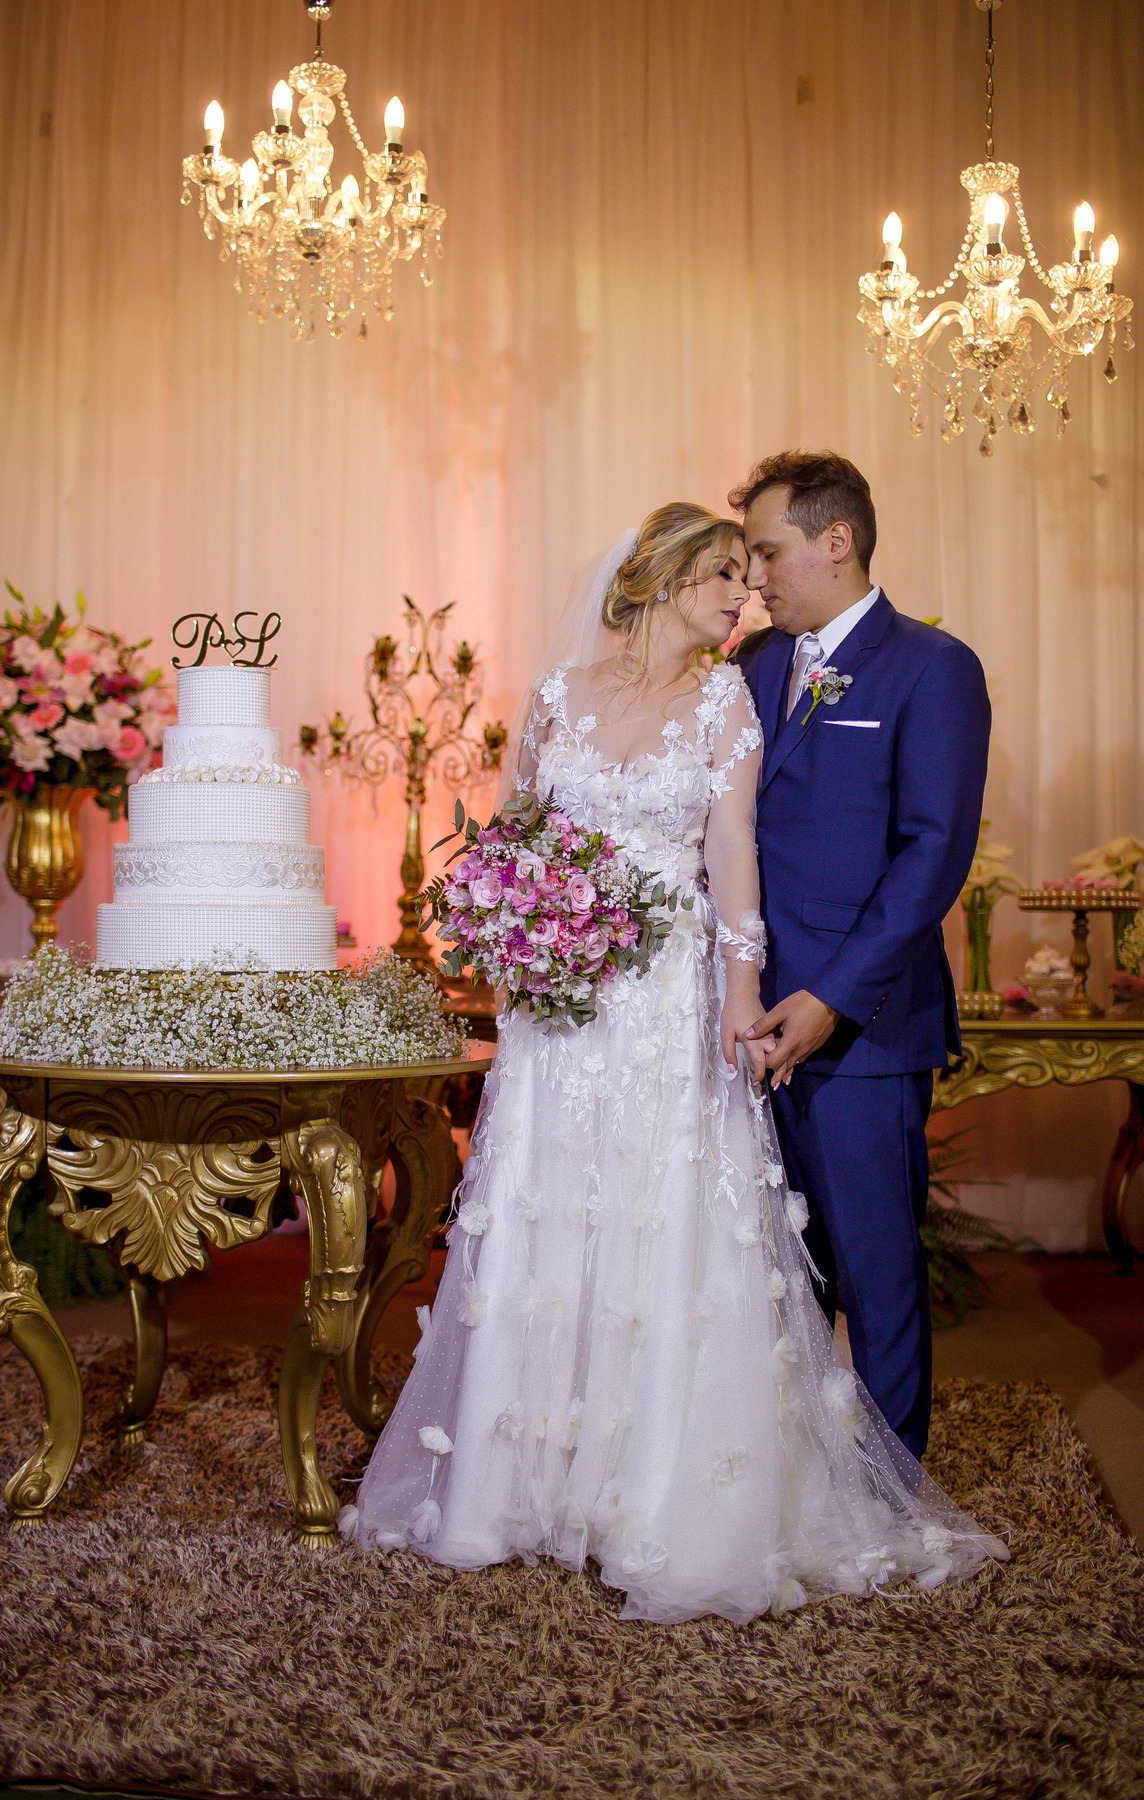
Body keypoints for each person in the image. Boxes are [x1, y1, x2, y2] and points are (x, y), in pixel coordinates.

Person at [342, 503, 1006, 1625]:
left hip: (668, 1003)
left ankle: (665, 1490)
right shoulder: (556, 700)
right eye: (721, 577)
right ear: (656, 580)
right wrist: (514, 929)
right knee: (555, 1217)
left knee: (671, 1222)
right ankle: (516, 1485)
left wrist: (740, 995)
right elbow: (514, 839)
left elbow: (733, 857)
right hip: (561, 1016)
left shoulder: (728, 699)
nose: (742, 598)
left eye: (752, 576)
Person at [729, 452, 991, 1462]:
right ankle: (794, 1480)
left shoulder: (932, 666)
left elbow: (934, 853)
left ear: (834, 541)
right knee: (777, 1275)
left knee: (874, 1274)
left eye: (768, 550)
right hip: (748, 1022)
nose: (755, 575)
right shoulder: (752, 666)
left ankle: (892, 1497)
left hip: (860, 1033)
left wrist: (830, 998)